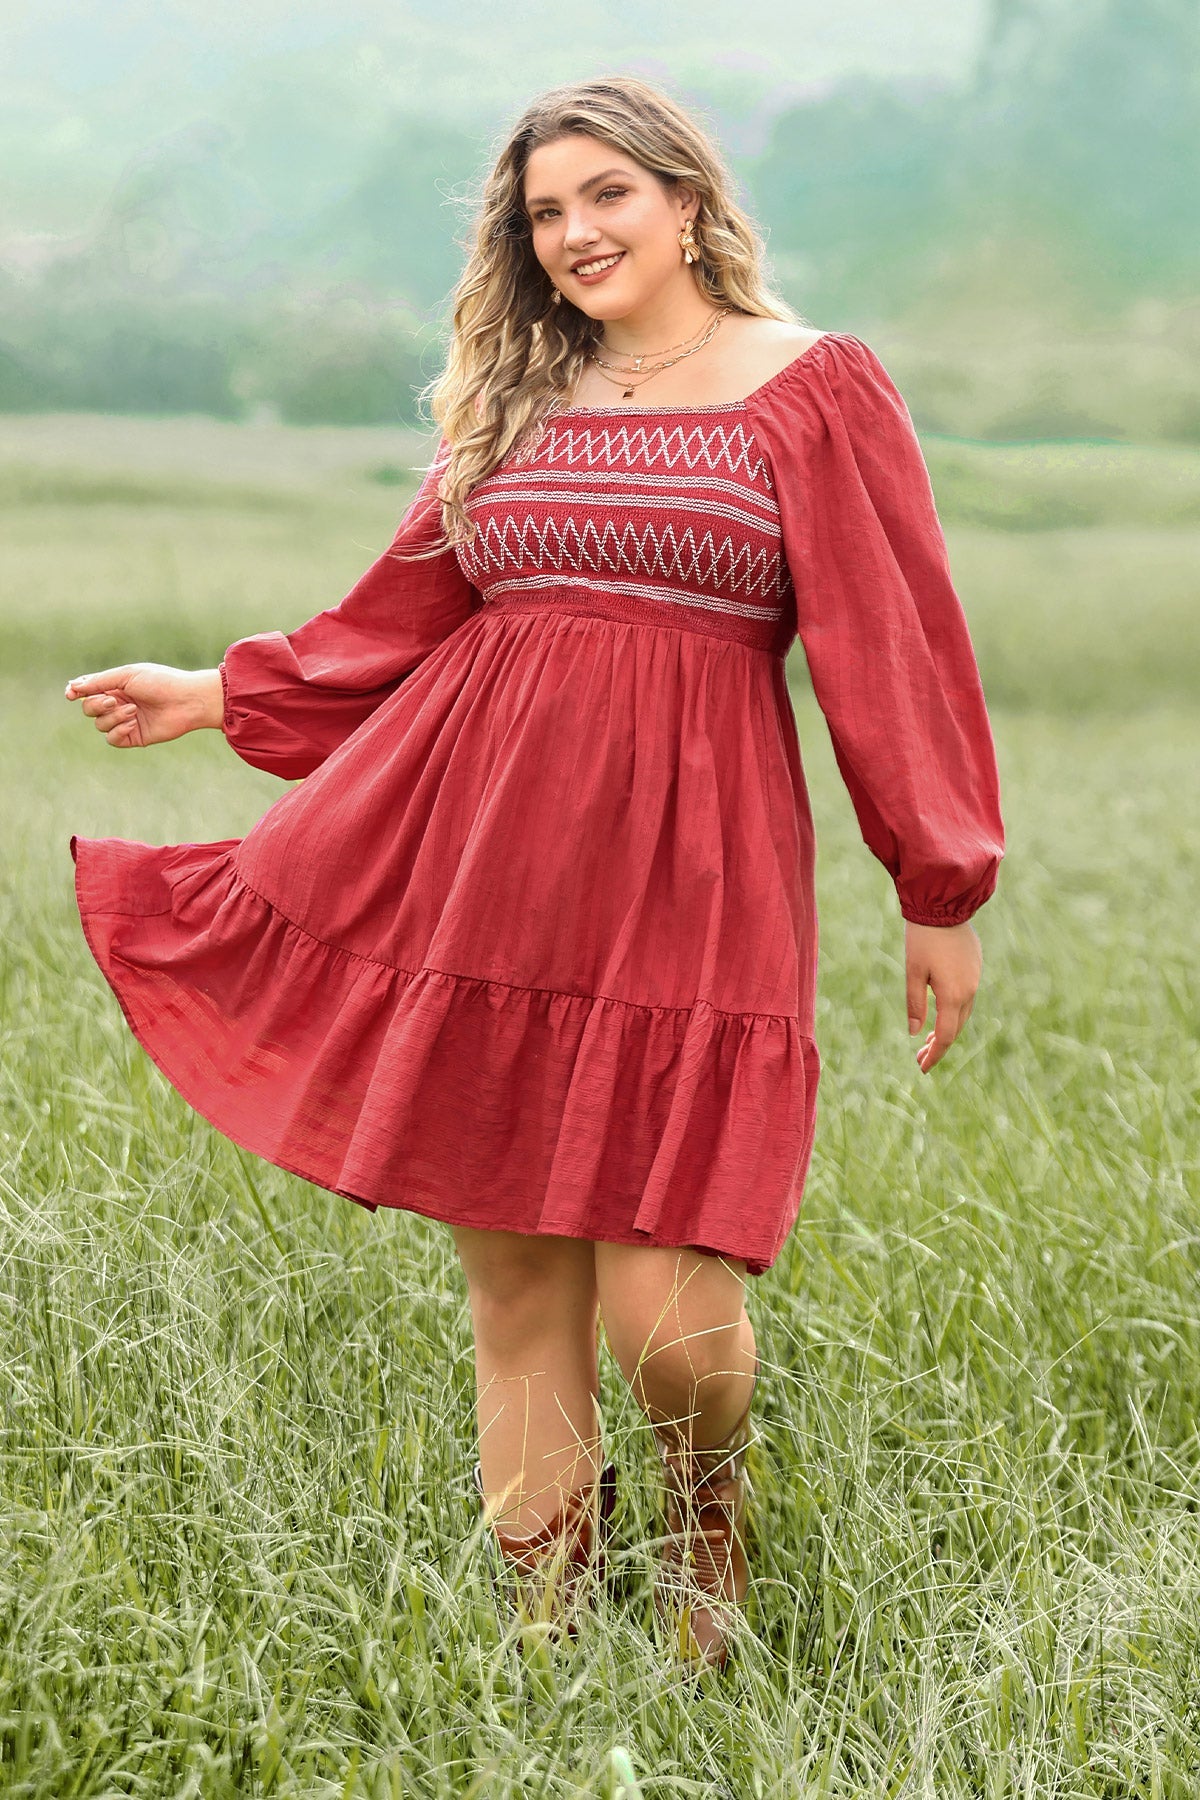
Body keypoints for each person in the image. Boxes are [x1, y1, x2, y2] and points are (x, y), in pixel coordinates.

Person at [64, 75, 1004, 1670]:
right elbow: (399, 616)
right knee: (516, 1290)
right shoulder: (518, 398)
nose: (575, 233)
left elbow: (891, 640)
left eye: (606, 196)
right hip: (482, 871)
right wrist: (221, 692)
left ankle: (706, 1512)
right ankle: (545, 1643)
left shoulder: (814, 385)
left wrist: (938, 886)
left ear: (687, 201)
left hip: (694, 878)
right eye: (544, 213)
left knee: (664, 1313)